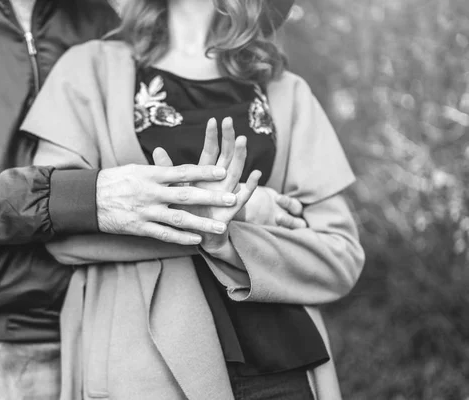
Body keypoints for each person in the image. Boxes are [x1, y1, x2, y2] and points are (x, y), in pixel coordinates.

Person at [0, 0, 306, 399]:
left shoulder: (113, 14)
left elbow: (165, 143)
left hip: (121, 339)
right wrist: (83, 197)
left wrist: (240, 208)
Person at [21, 0, 365, 399]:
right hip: (140, 367)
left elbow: (340, 256)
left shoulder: (287, 91)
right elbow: (58, 226)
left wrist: (230, 240)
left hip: (283, 366)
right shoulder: (88, 70)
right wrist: (232, 213)